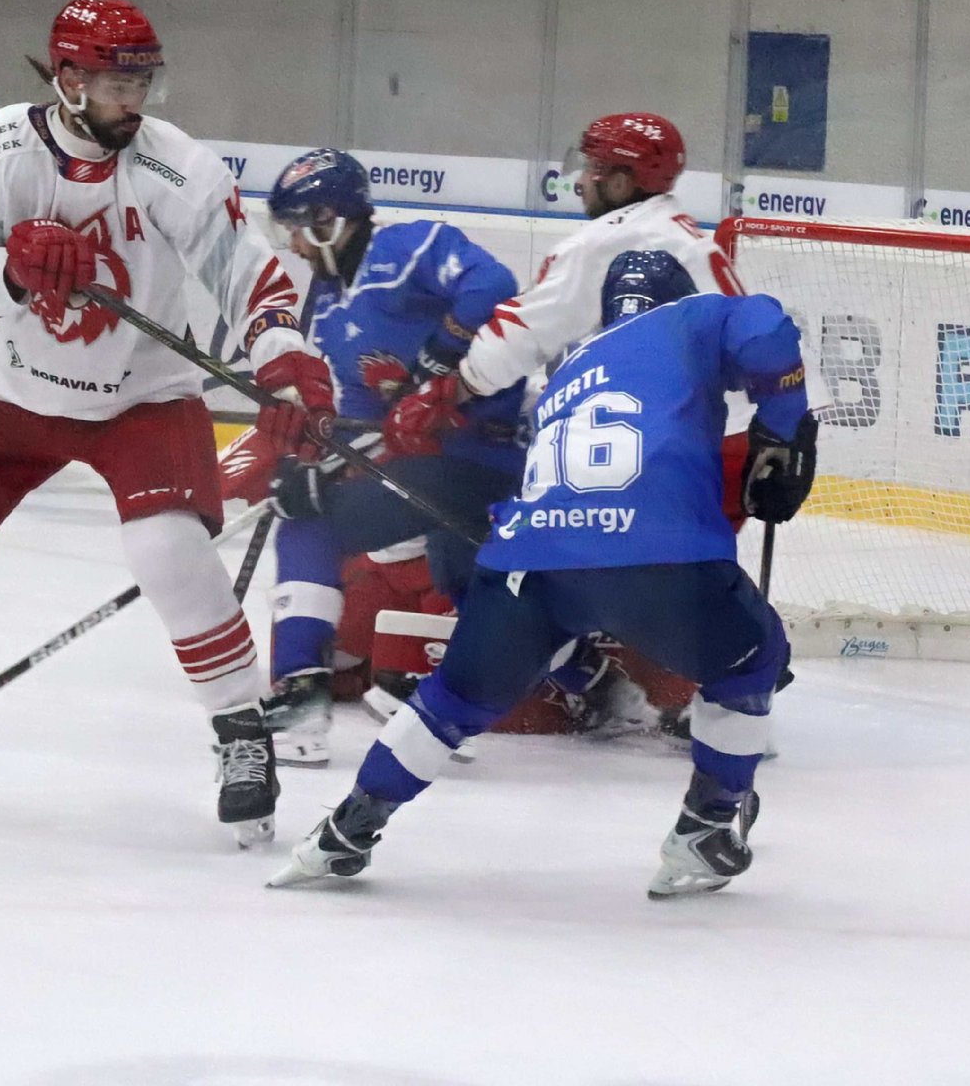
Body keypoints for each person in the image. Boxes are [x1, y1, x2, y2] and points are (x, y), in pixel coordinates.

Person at [0, 0, 335, 849]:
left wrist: (286, 365)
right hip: (13, 389)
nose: (136, 100)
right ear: (68, 79)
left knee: (169, 554)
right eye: (120, 84)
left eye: (144, 83)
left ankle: (242, 731)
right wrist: (11, 274)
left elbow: (250, 281)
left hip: (143, 397)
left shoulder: (178, 168)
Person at [271, 250, 819, 898]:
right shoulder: (689, 317)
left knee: (451, 701)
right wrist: (783, 431)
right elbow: (765, 327)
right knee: (757, 657)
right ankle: (709, 821)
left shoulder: (569, 366)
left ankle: (342, 832)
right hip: (654, 552)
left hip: (526, 562)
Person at [380, 110, 753, 728]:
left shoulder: (604, 243)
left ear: (621, 181)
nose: (581, 180)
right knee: (662, 576)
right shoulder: (683, 235)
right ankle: (703, 698)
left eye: (594, 169)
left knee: (528, 557)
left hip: (681, 455)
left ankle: (589, 683)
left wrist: (446, 392)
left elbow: (519, 334)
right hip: (736, 444)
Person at [228, 148, 525, 767]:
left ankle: (314, 695)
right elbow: (371, 418)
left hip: (499, 454)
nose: (295, 246)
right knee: (314, 515)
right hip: (436, 470)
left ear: (329, 219)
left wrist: (441, 358)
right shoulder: (330, 306)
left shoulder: (406, 248)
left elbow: (495, 285)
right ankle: (312, 700)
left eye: (298, 228)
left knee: (330, 529)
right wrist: (317, 465)